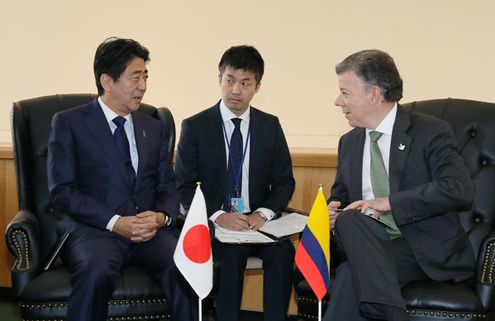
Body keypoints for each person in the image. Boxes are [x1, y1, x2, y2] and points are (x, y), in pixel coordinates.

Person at [47, 37, 198, 321]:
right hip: (94, 230)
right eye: (135, 77)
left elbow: (167, 186)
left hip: (149, 232)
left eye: (145, 77)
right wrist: (116, 222)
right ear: (107, 81)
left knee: (185, 265)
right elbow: (62, 192)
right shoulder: (68, 123)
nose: (143, 86)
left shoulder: (153, 127)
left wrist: (162, 217)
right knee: (96, 272)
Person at [323, 49, 475, 321]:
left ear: (374, 94)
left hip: (422, 247)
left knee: (348, 275)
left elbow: (458, 189)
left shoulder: (430, 131)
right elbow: (341, 197)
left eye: (345, 92)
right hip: (369, 242)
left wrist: (389, 202)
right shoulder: (349, 142)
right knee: (348, 221)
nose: (337, 101)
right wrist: (332, 212)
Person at [175, 45, 296, 321]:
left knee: (283, 253)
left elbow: (284, 182)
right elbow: (183, 185)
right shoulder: (195, 126)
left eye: (245, 83)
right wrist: (219, 216)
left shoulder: (270, 126)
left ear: (257, 87)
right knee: (232, 255)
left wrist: (262, 214)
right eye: (230, 80)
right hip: (215, 227)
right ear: (220, 79)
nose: (236, 91)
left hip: (257, 226)